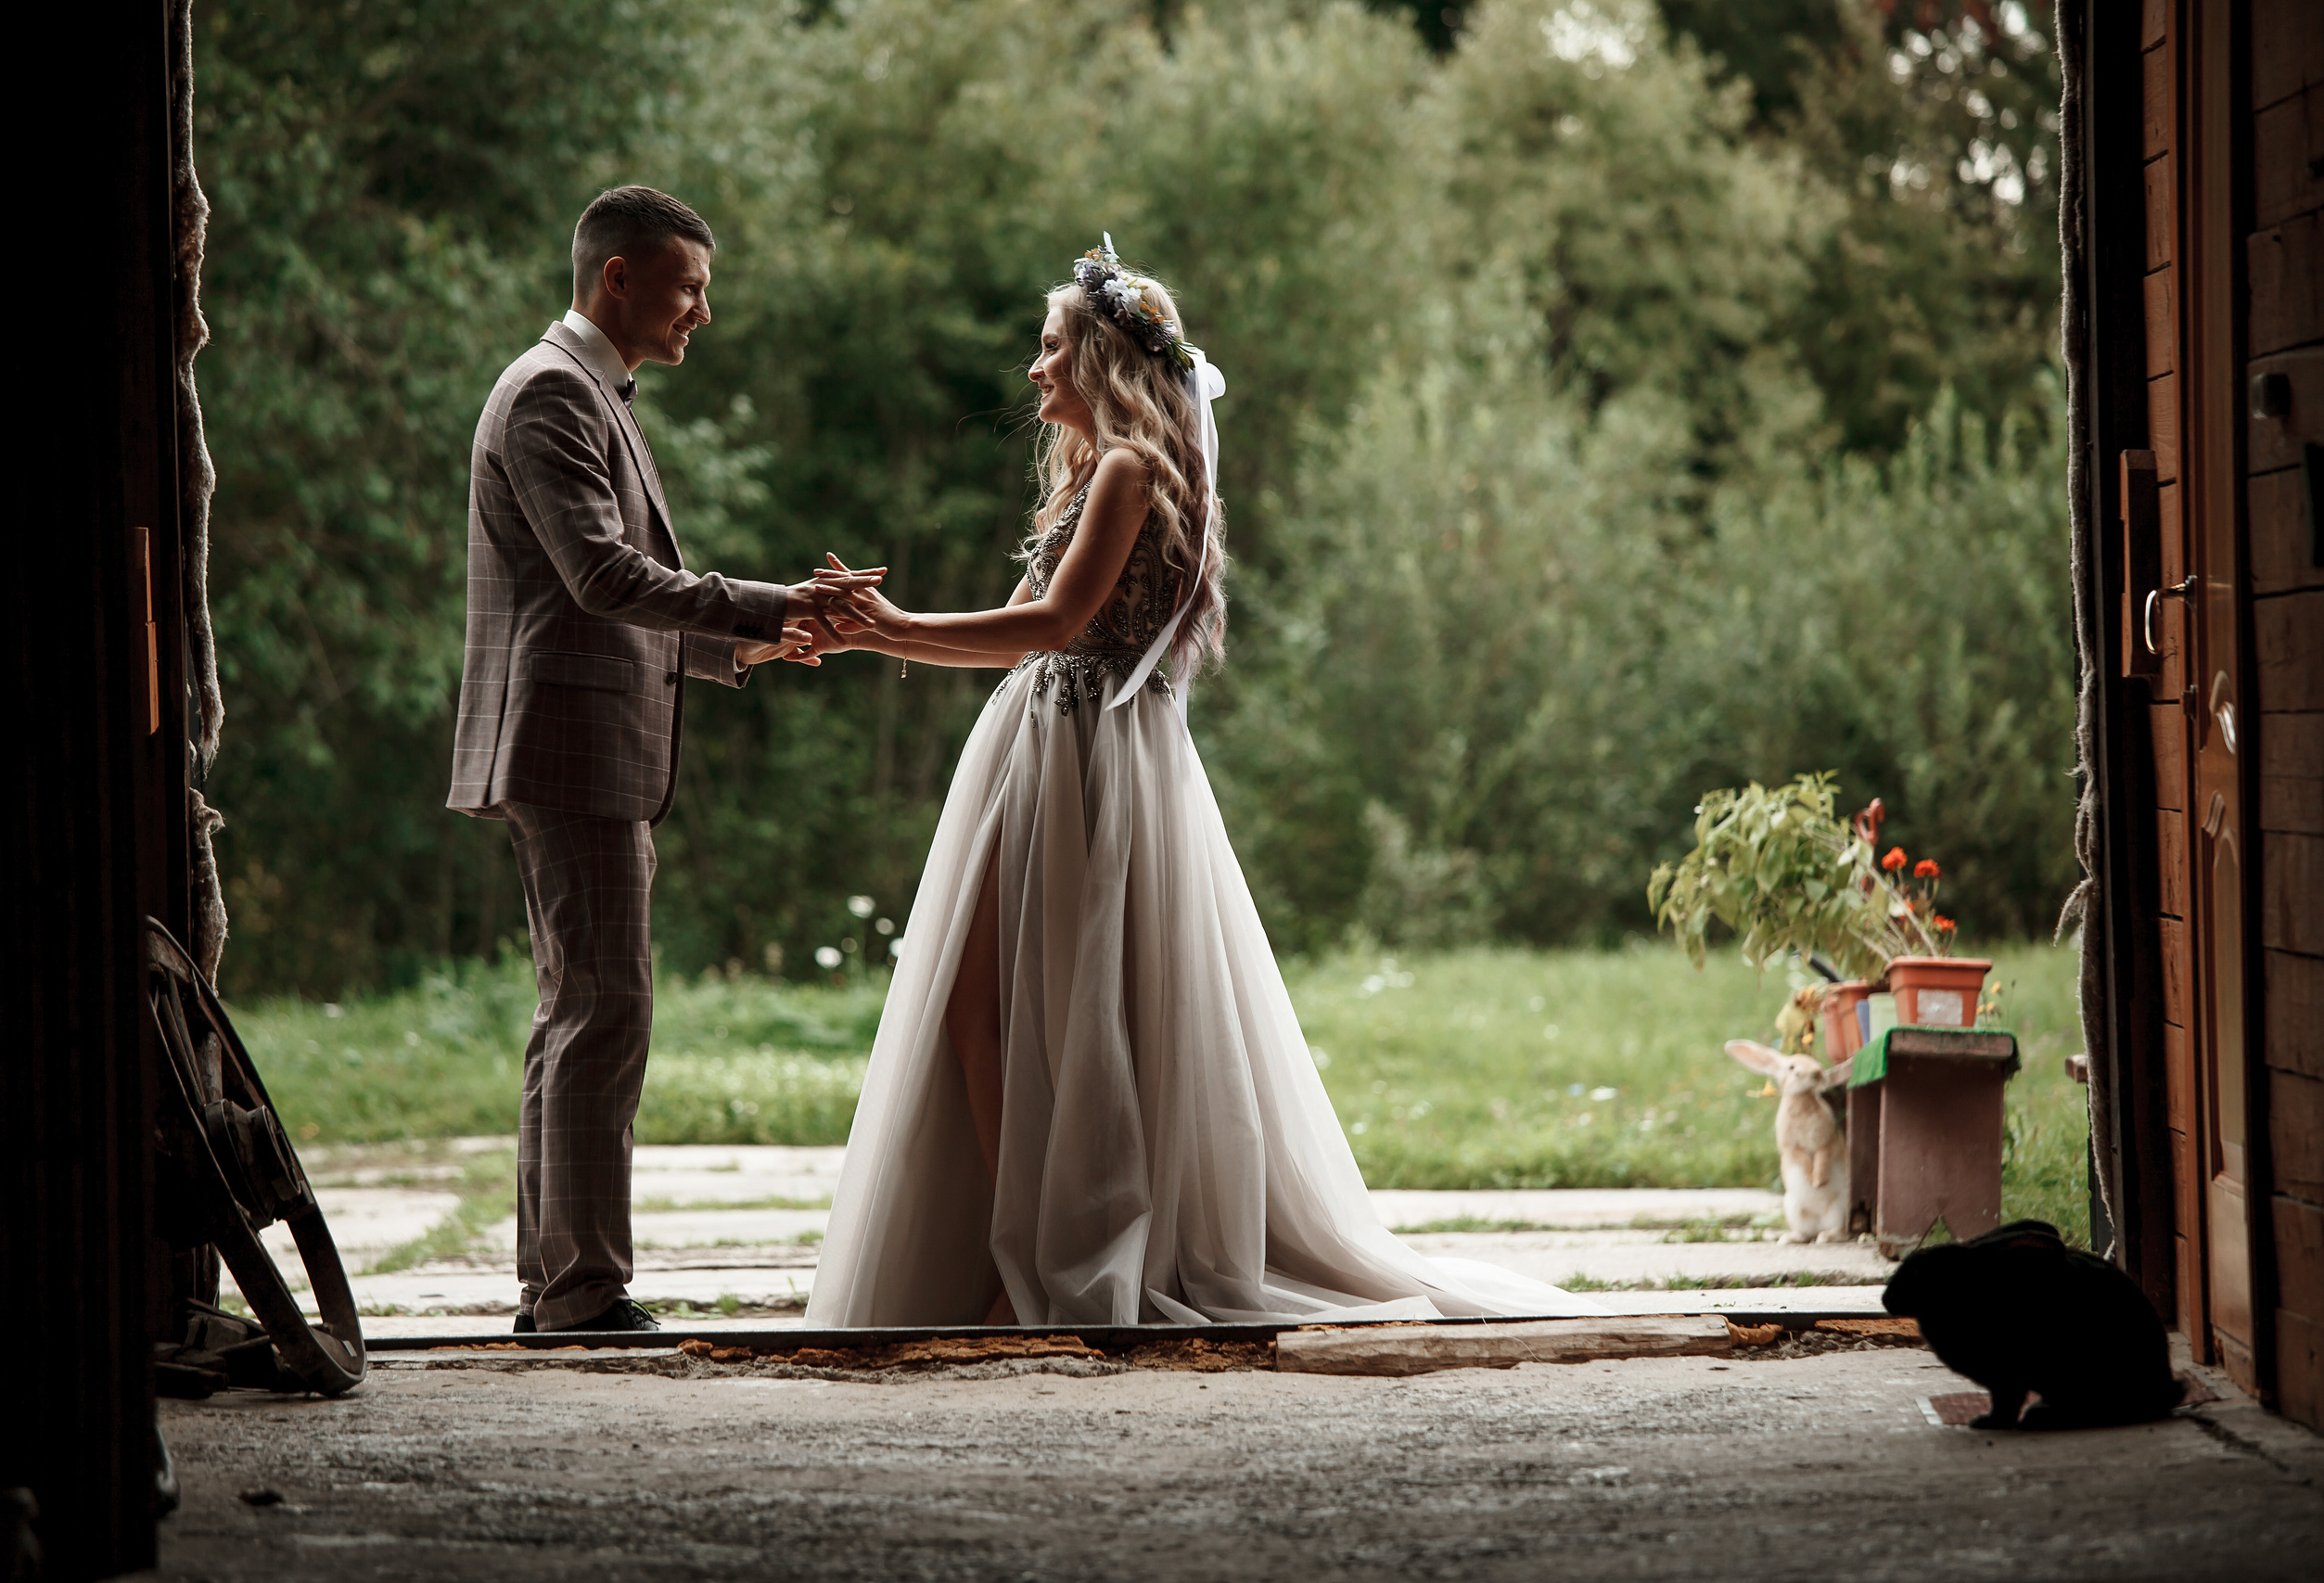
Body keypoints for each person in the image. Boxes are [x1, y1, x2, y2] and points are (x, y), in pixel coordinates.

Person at [800, 238, 1605, 1326]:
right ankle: (1018, 1239)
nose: (1033, 372)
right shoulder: (1097, 471)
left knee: (1072, 1014)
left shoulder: (1132, 470)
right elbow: (1042, 642)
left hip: (1090, 757)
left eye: (1049, 351)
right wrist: (877, 637)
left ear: (1098, 360)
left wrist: (890, 632)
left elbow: (1051, 626)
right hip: (1044, 745)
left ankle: (1053, 1250)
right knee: (985, 1003)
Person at [447, 185, 877, 1333]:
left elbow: (599, 592)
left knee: (577, 1012)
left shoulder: (579, 390)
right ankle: (582, 1292)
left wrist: (756, 644)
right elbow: (601, 577)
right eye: (688, 287)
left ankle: (556, 1287)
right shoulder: (550, 391)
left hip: (582, 747)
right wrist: (771, 601)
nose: (700, 313)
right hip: (571, 751)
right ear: (618, 277)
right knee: (605, 1012)